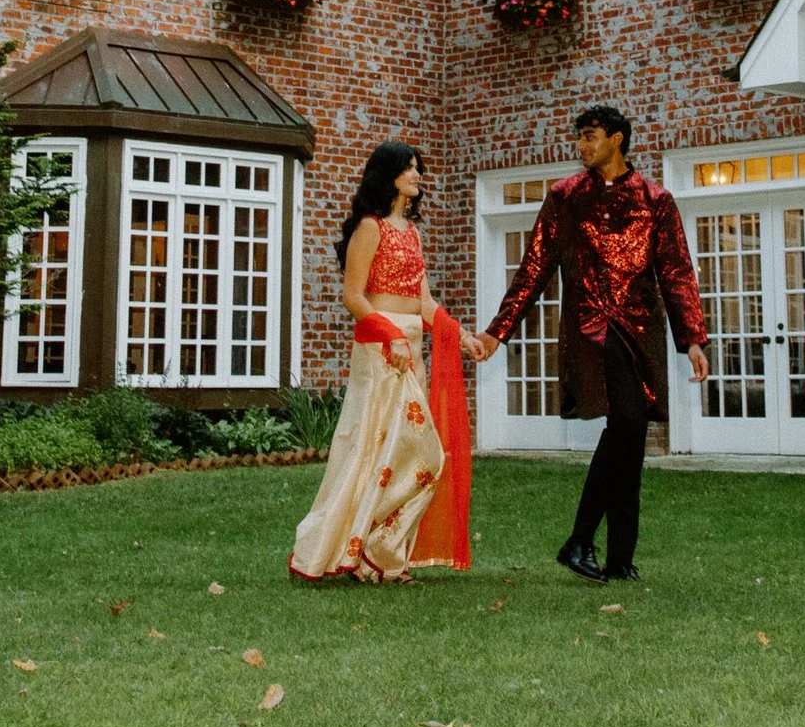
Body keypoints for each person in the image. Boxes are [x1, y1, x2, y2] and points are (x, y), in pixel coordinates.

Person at [470, 105, 708, 583]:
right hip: (591, 331)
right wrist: (498, 330)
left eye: (590, 136)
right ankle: (582, 540)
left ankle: (617, 558)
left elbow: (677, 273)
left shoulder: (656, 200)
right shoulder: (565, 198)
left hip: (642, 332)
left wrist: (693, 340)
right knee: (628, 429)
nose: (582, 146)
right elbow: (534, 268)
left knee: (630, 439)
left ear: (617, 139)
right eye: (579, 137)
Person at [288, 142, 472, 582]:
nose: (418, 175)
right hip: (380, 348)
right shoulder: (369, 228)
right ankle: (358, 550)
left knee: (416, 453)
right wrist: (390, 335)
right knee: (386, 449)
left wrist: (461, 336)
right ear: (387, 175)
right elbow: (353, 296)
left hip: (410, 345)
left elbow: (423, 303)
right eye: (409, 169)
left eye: (418, 169)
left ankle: (379, 552)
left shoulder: (412, 232)